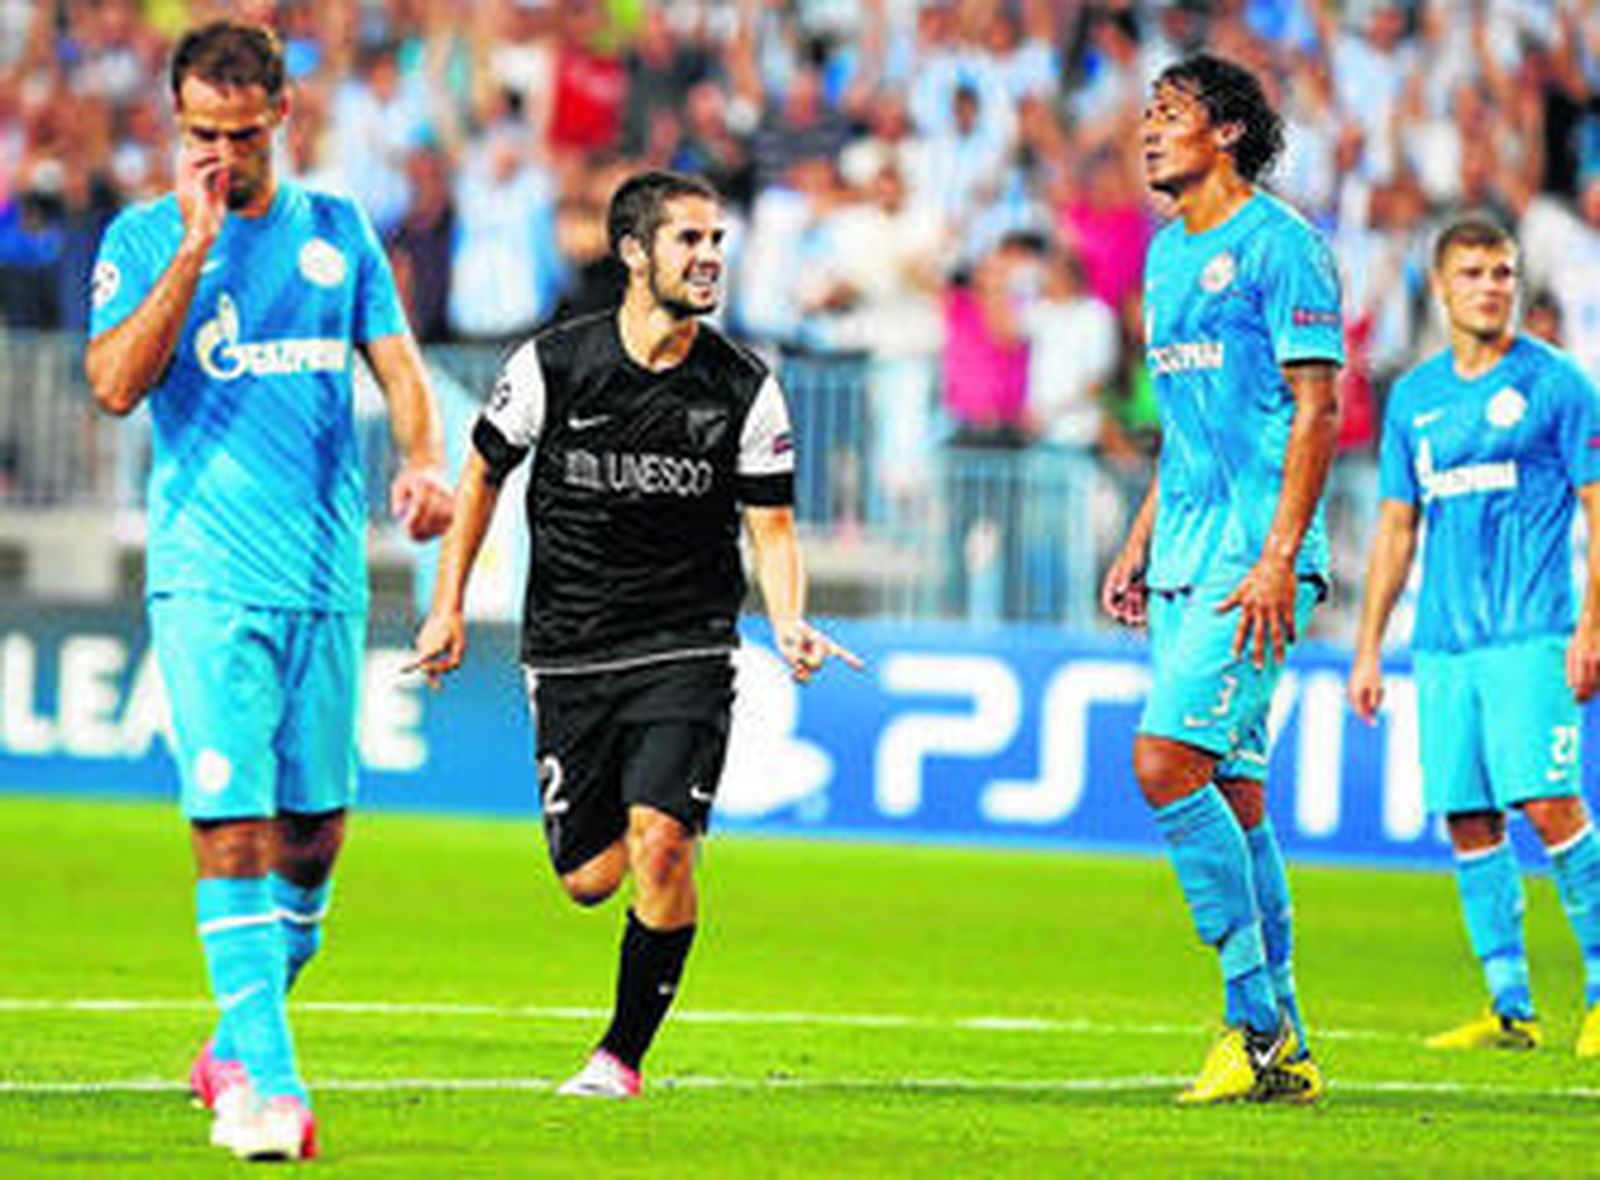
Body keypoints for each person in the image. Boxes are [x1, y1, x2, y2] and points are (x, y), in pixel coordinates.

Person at [84, 20, 453, 1160]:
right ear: (175, 123)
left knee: (312, 837)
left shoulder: (338, 234)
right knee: (232, 827)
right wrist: (193, 254)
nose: (221, 155)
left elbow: (396, 369)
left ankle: (232, 1038)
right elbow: (111, 385)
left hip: (325, 580)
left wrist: (424, 461)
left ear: (280, 118)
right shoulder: (145, 237)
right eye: (201, 133)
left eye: (241, 135)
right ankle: (271, 1092)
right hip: (207, 582)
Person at [411, 169, 858, 1099]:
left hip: (685, 644)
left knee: (662, 843)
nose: (707, 259)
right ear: (633, 254)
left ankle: (620, 1057)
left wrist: (787, 621)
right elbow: (483, 478)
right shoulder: (550, 365)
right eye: (688, 241)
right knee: (589, 878)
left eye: (715, 242)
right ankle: (626, 908)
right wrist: (448, 603)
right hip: (568, 647)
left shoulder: (744, 388)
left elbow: (771, 528)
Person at [1100, 54, 1344, 1105]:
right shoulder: (1163, 259)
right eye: (1147, 115)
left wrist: (1281, 557)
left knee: (1163, 764)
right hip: (1185, 554)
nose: (1149, 131)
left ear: (1228, 133)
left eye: (1171, 115)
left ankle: (1251, 1024)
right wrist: (1138, 537)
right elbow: (1185, 426)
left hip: (1255, 560)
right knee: (1237, 796)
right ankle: (1282, 1041)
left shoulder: (1282, 247)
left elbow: (1318, 406)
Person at [1348, 215, 1600, 1056]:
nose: (1493, 285)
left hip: (1533, 633)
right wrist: (1368, 648)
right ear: (1441, 286)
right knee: (1467, 815)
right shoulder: (1415, 399)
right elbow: (1394, 529)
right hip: (1445, 643)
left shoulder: (1558, 385)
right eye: (1475, 273)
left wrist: (1592, 626)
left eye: (1504, 271)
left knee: (1549, 803)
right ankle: (1510, 1007)